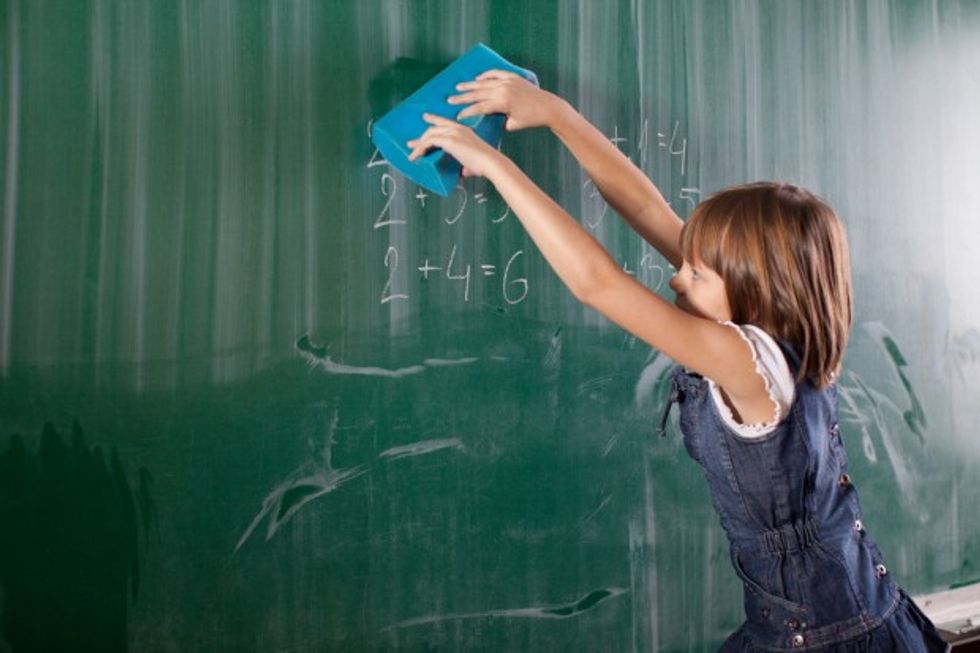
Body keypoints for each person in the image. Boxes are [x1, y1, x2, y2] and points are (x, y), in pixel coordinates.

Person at [405, 70, 948, 651]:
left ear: (757, 287)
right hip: (813, 622)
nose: (675, 276)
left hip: (829, 638)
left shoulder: (752, 362)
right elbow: (644, 206)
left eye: (695, 273)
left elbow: (598, 285)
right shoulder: (771, 325)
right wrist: (555, 113)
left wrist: (496, 167)